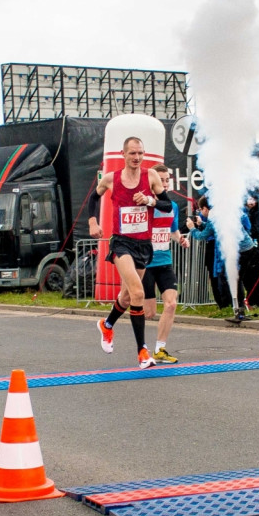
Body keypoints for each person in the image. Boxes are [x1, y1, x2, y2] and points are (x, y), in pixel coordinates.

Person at [87, 136, 173, 369]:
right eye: (132, 153)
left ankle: (107, 325)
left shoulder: (151, 176)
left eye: (140, 153)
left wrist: (150, 201)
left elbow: (167, 205)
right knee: (137, 293)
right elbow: (94, 197)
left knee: (126, 298)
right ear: (123, 154)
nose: (137, 157)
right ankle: (142, 352)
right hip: (121, 243)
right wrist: (93, 221)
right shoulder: (111, 179)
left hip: (143, 245)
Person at [141, 164, 190, 363]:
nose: (164, 183)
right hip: (145, 263)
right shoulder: (145, 204)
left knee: (171, 304)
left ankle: (160, 349)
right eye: (160, 180)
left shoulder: (172, 207)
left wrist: (180, 239)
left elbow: (172, 230)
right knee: (149, 313)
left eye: (167, 180)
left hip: (164, 261)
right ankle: (121, 304)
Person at [185, 196, 259, 319]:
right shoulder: (220, 213)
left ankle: (238, 309)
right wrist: (202, 223)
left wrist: (192, 228)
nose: (200, 212)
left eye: (200, 209)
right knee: (233, 278)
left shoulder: (213, 216)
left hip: (241, 251)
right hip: (248, 248)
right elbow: (215, 229)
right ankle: (237, 308)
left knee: (232, 279)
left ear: (205, 208)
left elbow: (202, 236)